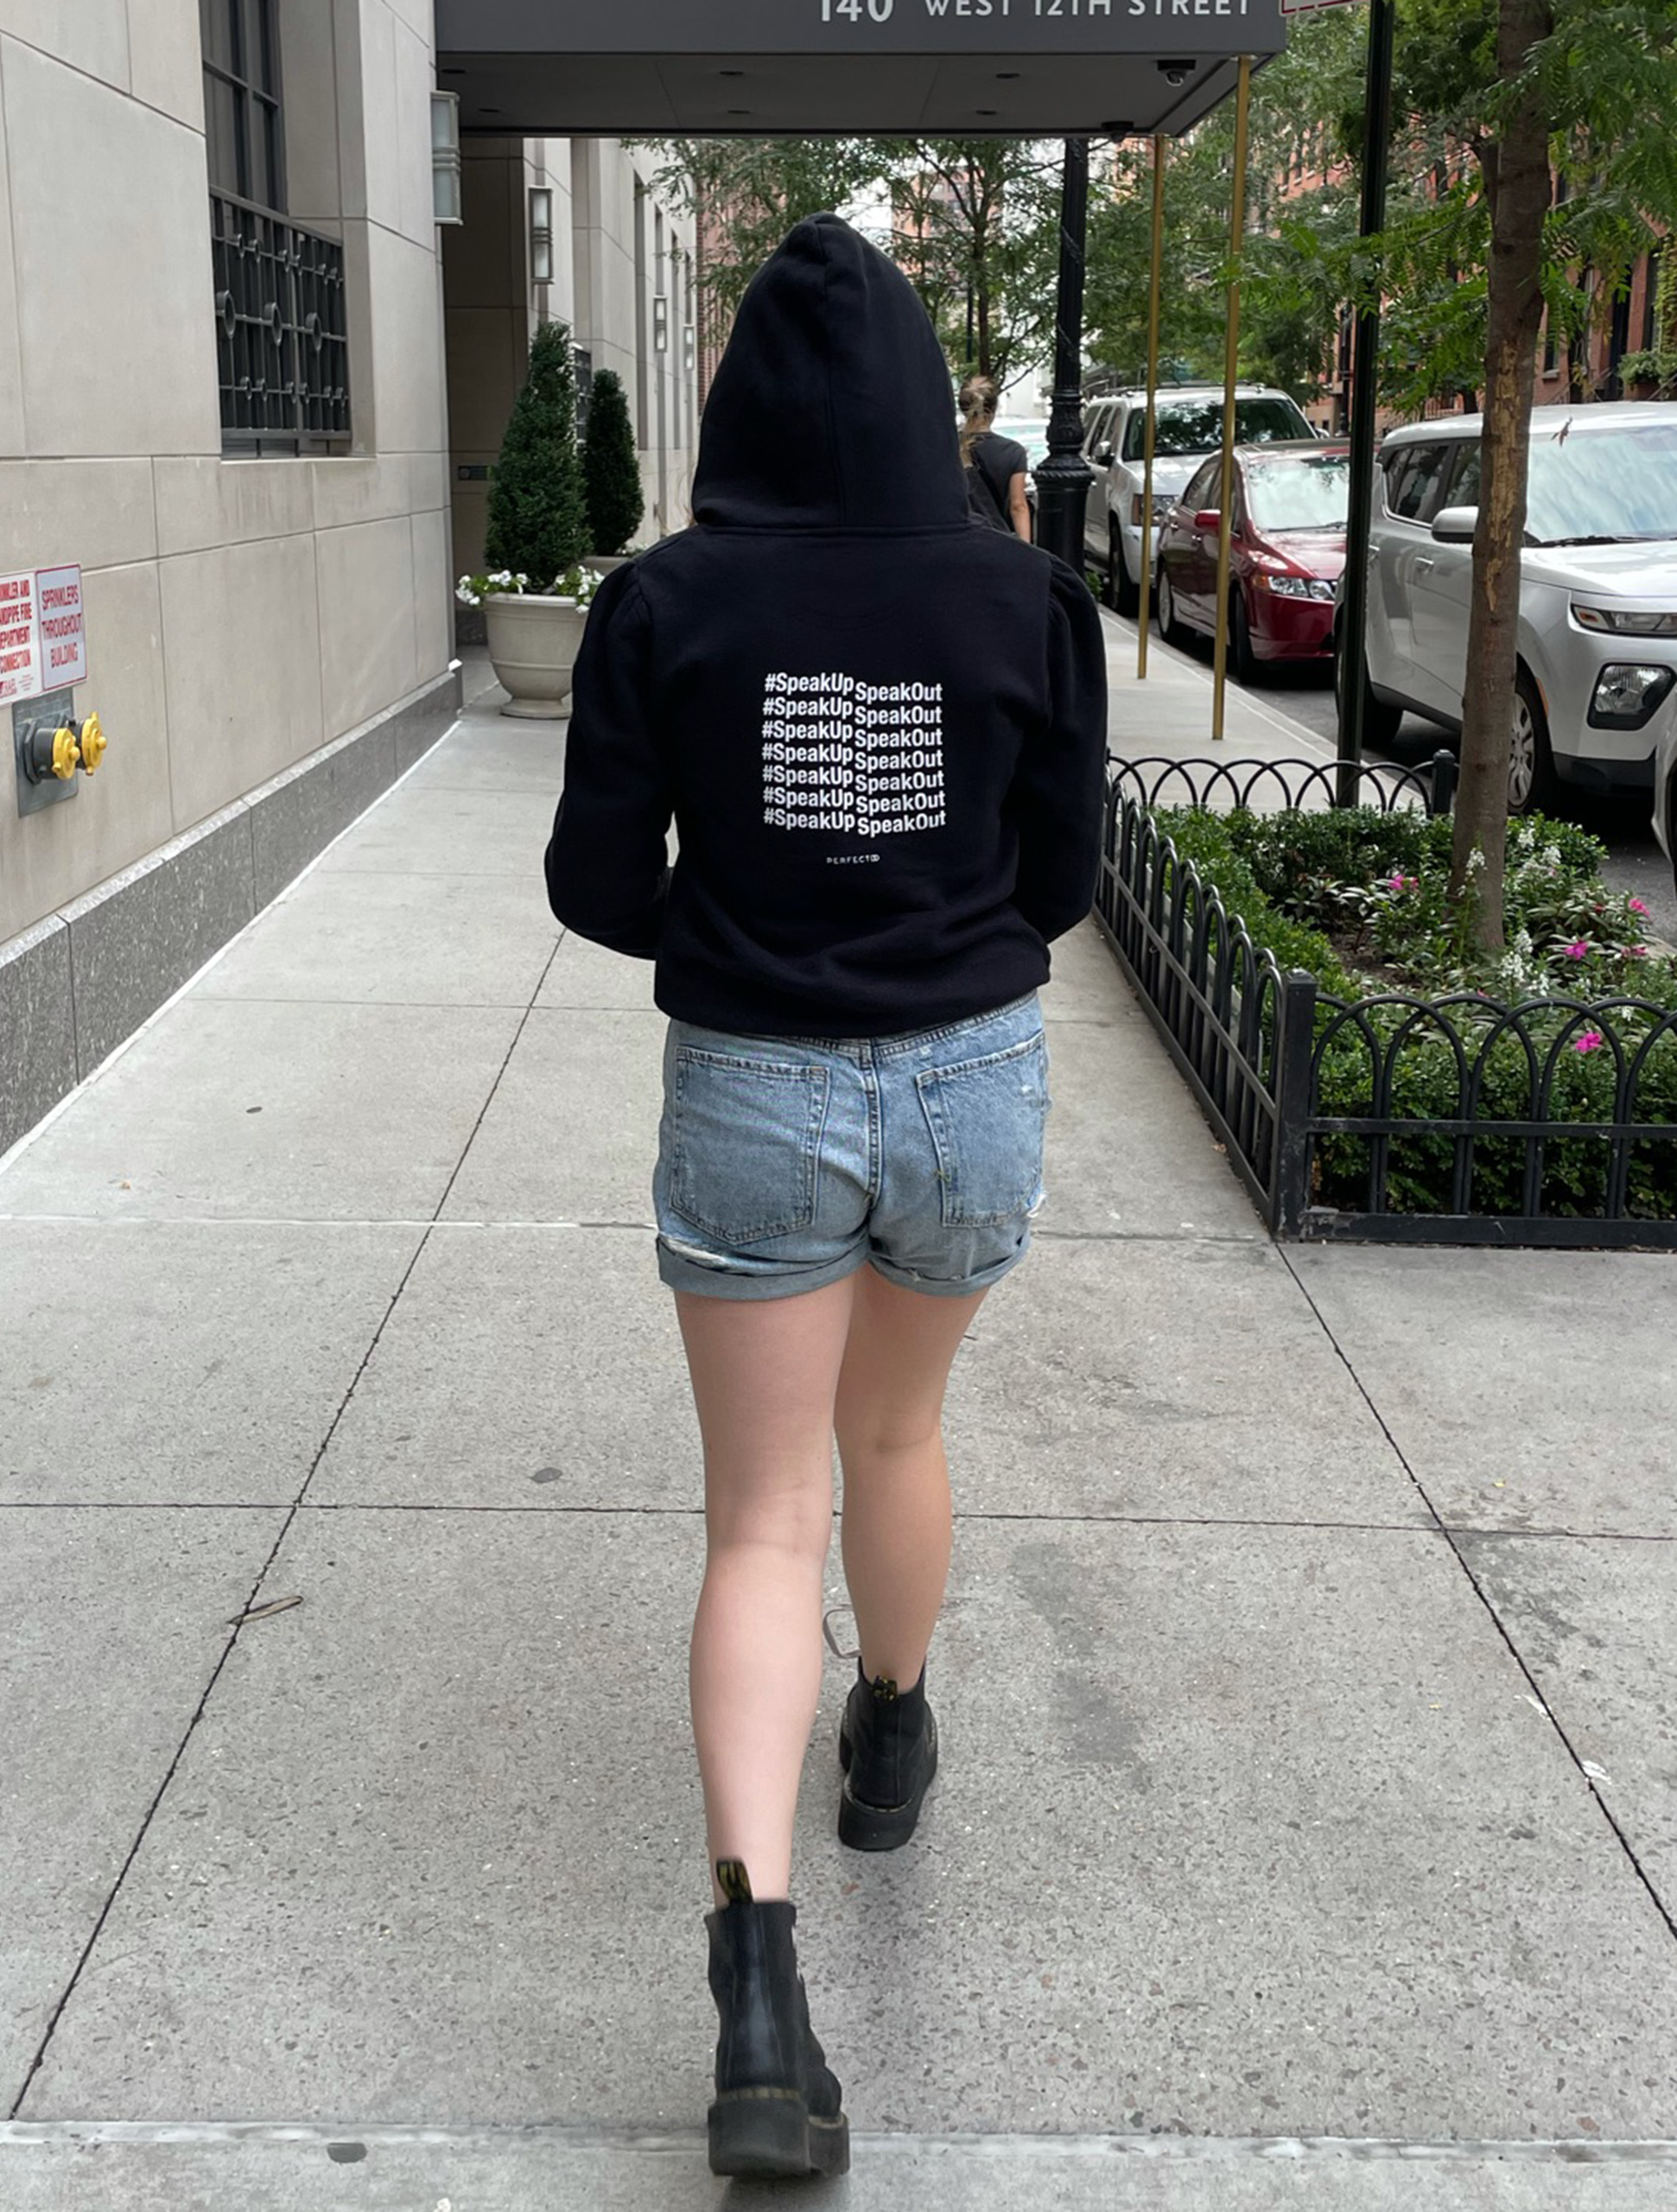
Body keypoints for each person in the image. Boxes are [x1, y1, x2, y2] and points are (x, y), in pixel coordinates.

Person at [543, 214, 1107, 2182]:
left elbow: (597, 891)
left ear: (735, 405)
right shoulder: (1022, 597)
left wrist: (749, 914)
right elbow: (1056, 880)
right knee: (899, 1422)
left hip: (751, 1086)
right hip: (969, 1072)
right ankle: (888, 1728)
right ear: (922, 401)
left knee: (759, 1516)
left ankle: (759, 1993)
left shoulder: (662, 602)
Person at [959, 372, 1034, 541]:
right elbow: (1018, 506)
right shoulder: (1013, 452)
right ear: (993, 408)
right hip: (998, 540)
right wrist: (1026, 548)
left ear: (963, 408)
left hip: (956, 539)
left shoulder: (947, 447)